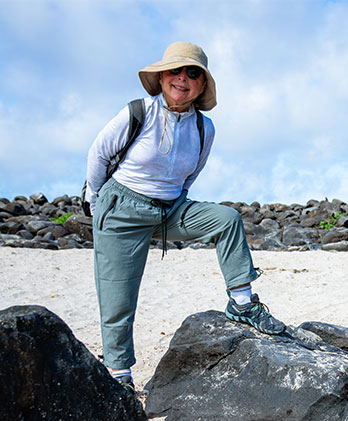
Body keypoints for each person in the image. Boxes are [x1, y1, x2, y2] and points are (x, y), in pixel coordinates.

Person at [86, 41, 284, 393]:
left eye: (193, 73)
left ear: (203, 85)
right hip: (122, 210)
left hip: (169, 209)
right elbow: (99, 155)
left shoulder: (204, 129)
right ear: (162, 77)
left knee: (226, 219)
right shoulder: (138, 112)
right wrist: (97, 202)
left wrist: (172, 202)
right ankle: (119, 376)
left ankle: (242, 303)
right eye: (175, 70)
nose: (183, 78)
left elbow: (189, 176)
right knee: (119, 301)